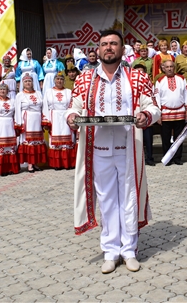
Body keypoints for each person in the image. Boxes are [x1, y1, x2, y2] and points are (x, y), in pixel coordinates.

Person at [65, 30, 161, 274]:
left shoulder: (136, 76)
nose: (108, 48)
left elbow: (153, 106)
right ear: (98, 49)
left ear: (122, 49)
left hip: (128, 147)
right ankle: (110, 250)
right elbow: (72, 108)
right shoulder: (84, 79)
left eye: (113, 44)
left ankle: (129, 250)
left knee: (128, 198)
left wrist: (145, 115)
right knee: (107, 200)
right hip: (97, 149)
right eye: (104, 44)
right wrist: (73, 118)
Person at [155, 60, 187, 166]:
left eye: (171, 66)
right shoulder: (160, 81)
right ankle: (167, 158)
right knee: (165, 138)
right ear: (163, 68)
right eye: (167, 67)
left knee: (179, 138)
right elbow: (156, 98)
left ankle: (178, 158)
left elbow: (186, 94)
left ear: (174, 67)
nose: (169, 68)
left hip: (180, 112)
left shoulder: (181, 79)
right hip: (165, 113)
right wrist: (158, 114)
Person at [15, 73, 48, 173]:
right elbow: (17, 109)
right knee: (28, 142)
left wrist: (44, 119)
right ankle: (30, 164)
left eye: (29, 81)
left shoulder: (38, 93)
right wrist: (19, 123)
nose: (28, 83)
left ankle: (35, 163)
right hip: (27, 120)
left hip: (37, 119)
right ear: (23, 84)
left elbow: (43, 107)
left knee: (36, 142)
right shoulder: (20, 95)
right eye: (26, 81)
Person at [43, 72, 76, 170]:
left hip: (66, 116)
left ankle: (68, 163)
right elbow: (45, 106)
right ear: (54, 80)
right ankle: (57, 164)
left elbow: (73, 105)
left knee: (68, 140)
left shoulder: (69, 92)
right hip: (54, 116)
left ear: (64, 81)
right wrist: (46, 120)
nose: (59, 81)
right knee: (55, 140)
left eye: (61, 79)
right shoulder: (49, 92)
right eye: (57, 79)